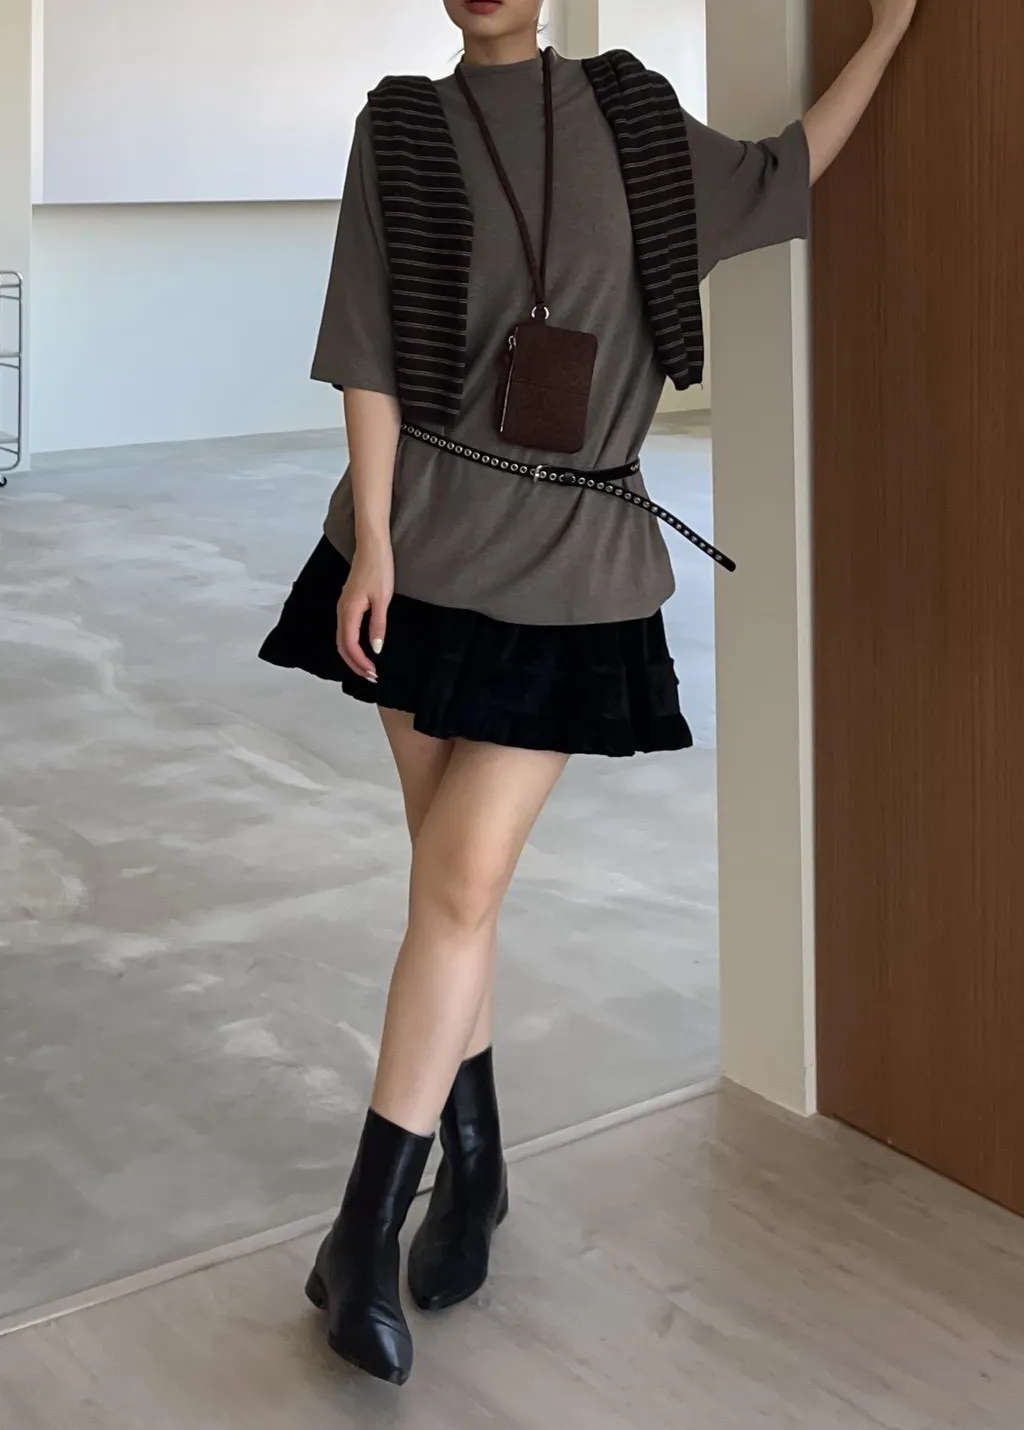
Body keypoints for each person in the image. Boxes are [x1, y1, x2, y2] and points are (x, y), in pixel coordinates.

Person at [260, 0, 921, 1387]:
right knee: (453, 894)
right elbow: (367, 344)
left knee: (457, 886)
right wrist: (370, 538)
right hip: (416, 552)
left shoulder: (633, 118)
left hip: (573, 569)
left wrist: (890, 35)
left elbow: (788, 171)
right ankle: (477, 1165)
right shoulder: (402, 126)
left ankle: (359, 1234)